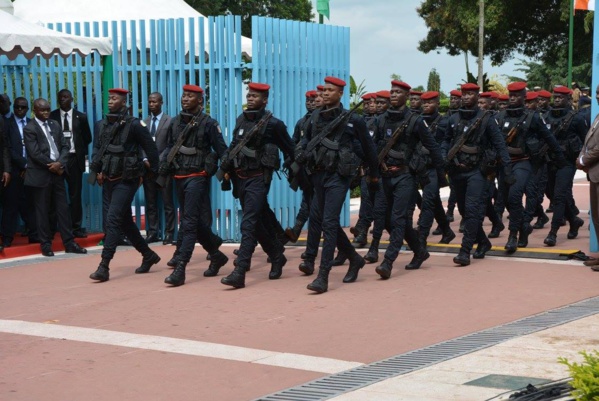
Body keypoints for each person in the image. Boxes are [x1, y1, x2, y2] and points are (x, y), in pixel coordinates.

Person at [294, 76, 379, 293]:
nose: (324, 94)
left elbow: (368, 150)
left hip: (338, 177)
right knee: (323, 221)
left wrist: (374, 174)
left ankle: (323, 277)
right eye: (323, 90)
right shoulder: (314, 117)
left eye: (330, 91)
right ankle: (354, 258)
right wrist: (301, 151)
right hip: (317, 175)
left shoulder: (353, 120)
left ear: (340, 93)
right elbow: (305, 141)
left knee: (329, 222)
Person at [219, 82, 295, 289]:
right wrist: (225, 165)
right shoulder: (241, 119)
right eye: (249, 95)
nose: (251, 98)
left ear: (265, 100)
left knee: (249, 222)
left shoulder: (274, 124)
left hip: (259, 178)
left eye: (255, 96)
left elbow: (291, 149)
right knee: (258, 223)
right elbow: (234, 144)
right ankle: (277, 255)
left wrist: (298, 173)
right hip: (240, 177)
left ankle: (240, 271)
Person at [159, 85, 229, 286]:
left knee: (188, 221)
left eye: (190, 96)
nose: (185, 98)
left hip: (198, 176)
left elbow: (222, 150)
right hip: (179, 176)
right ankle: (216, 255)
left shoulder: (209, 124)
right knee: (195, 222)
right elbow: (170, 146)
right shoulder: (175, 123)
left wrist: (227, 173)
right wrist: (165, 163)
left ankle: (181, 268)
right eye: (184, 95)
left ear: (200, 100)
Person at [373, 80, 443, 278]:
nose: (393, 95)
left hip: (406, 176)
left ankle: (388, 261)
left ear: (406, 96)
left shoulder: (415, 121)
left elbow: (433, 147)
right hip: (386, 175)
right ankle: (419, 250)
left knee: (398, 218)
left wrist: (441, 173)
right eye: (392, 92)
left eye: (397, 92)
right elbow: (373, 145)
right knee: (386, 219)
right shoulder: (381, 120)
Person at [88, 88, 160, 282]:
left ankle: (104, 266)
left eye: (114, 99)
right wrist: (99, 169)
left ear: (124, 102)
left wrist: (151, 173)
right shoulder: (100, 124)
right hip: (109, 178)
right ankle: (148, 255)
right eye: (109, 98)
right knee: (126, 222)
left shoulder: (135, 125)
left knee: (112, 219)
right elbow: (97, 148)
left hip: (127, 180)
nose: (110, 101)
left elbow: (151, 150)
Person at [442, 83, 512, 266]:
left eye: (470, 94)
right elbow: (446, 140)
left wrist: (507, 169)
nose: (466, 97)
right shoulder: (453, 119)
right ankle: (483, 242)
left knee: (472, 210)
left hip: (478, 171)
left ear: (477, 96)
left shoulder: (487, 119)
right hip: (457, 170)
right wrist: (443, 157)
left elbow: (499, 144)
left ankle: (465, 251)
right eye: (464, 94)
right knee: (464, 210)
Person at [496, 82, 566, 253]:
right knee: (505, 200)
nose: (512, 98)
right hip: (505, 163)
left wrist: (560, 158)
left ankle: (513, 235)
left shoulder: (532, 117)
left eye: (516, 95)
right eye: (510, 95)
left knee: (514, 196)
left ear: (523, 97)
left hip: (524, 161)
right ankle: (523, 228)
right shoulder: (500, 116)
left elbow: (549, 137)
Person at [23, 98, 86, 257]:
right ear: (34, 111)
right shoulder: (30, 128)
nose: (45, 113)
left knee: (63, 209)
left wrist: (60, 164)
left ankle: (69, 243)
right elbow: (35, 153)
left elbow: (65, 146)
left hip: (58, 173)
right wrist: (53, 165)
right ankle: (45, 244)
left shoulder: (55, 125)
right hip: (41, 174)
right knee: (42, 211)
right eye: (42, 110)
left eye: (47, 110)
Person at [543, 85, 587, 247]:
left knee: (560, 196)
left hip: (567, 162)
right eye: (556, 97)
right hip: (551, 160)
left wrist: (582, 160)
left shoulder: (575, 118)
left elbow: (585, 141)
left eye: (561, 97)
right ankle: (574, 220)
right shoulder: (547, 116)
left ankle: (553, 233)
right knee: (555, 195)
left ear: (568, 99)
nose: (557, 100)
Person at [49, 89, 92, 238]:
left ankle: (76, 227)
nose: (63, 99)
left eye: (66, 97)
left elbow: (87, 138)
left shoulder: (81, 116)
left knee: (75, 195)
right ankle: (53, 227)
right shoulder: (52, 116)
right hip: (58, 160)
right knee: (55, 194)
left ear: (72, 99)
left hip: (74, 159)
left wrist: (79, 152)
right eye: (60, 97)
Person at [417, 91, 455, 250]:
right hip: (419, 167)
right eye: (424, 103)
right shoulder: (417, 121)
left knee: (427, 202)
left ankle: (421, 239)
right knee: (434, 202)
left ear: (438, 104)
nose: (426, 105)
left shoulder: (444, 122)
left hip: (434, 167)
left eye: (430, 102)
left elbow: (446, 142)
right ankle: (446, 230)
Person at [2, 96, 39, 246]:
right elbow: (7, 148)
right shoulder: (6, 124)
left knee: (32, 204)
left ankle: (34, 234)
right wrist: (23, 165)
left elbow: (38, 147)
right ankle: (6, 238)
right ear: (13, 107)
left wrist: (29, 165)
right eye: (17, 107)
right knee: (10, 205)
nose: (19, 110)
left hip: (32, 170)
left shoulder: (32, 124)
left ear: (27, 109)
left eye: (23, 107)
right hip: (14, 170)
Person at [286, 90, 318, 243]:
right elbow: (294, 141)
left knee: (314, 204)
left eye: (313, 100)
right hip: (304, 169)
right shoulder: (301, 122)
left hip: (317, 168)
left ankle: (298, 230)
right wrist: (289, 158)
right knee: (308, 200)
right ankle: (298, 231)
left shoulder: (320, 120)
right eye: (307, 101)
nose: (310, 104)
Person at [142, 92, 173, 244]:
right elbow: (141, 144)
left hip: (163, 168)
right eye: (149, 101)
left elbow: (170, 144)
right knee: (151, 203)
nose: (151, 104)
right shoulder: (144, 122)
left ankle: (169, 233)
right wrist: (145, 159)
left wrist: (158, 161)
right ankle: (153, 232)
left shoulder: (169, 121)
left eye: (154, 101)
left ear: (161, 102)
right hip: (148, 170)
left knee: (167, 202)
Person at [577, 84, 599, 270]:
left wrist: (584, 160)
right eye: (597, 93)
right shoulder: (598, 117)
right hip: (594, 174)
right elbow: (588, 142)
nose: (598, 96)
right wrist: (581, 157)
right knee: (597, 217)